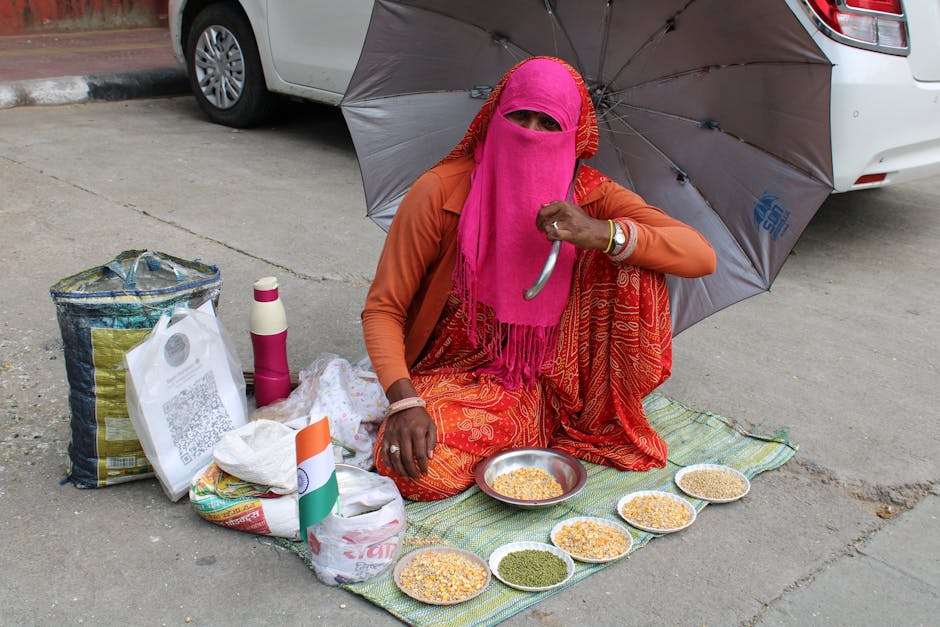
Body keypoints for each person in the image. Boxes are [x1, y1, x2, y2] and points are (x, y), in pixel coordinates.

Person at [362, 56, 716, 501]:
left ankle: (581, 415)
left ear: (573, 134)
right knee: (412, 469)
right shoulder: (441, 191)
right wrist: (405, 401)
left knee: (631, 254)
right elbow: (383, 309)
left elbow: (700, 256)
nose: (530, 132)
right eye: (518, 117)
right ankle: (520, 431)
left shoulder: (590, 194)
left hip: (554, 381)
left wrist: (600, 233)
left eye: (548, 122)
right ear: (494, 118)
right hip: (452, 374)